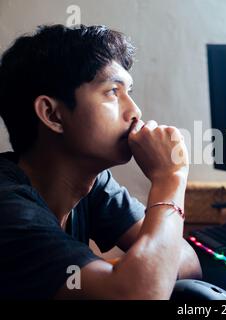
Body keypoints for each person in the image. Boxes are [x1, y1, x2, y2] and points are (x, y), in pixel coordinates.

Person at [0, 24, 202, 299]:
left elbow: (188, 262)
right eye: (112, 92)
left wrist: (125, 275)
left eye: (129, 91)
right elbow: (141, 296)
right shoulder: (9, 208)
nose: (135, 111)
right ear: (52, 115)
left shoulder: (93, 185)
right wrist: (170, 178)